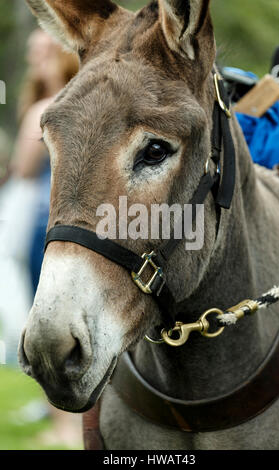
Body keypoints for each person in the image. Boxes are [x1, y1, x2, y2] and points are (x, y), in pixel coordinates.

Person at [0, 28, 81, 448]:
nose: (35, 58)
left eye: (42, 51)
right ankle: (63, 416)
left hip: (41, 223)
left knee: (44, 320)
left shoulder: (50, 108)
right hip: (51, 219)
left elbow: (24, 168)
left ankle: (65, 426)